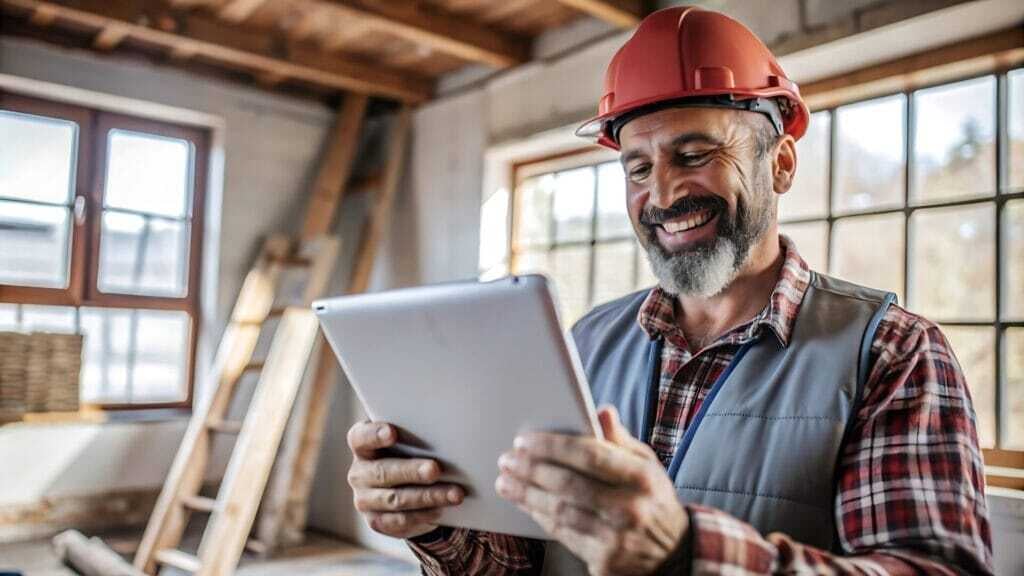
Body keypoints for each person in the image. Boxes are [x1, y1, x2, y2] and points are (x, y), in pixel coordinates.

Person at [344, 6, 993, 575]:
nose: (662, 194)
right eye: (637, 167)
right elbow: (523, 561)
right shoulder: (582, 343)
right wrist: (433, 524)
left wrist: (684, 555)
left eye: (694, 155)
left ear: (782, 163)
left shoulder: (892, 353)